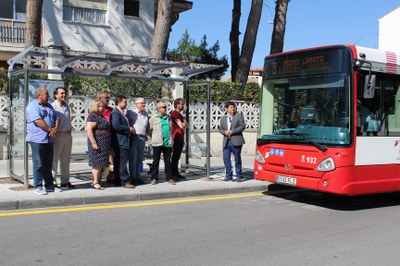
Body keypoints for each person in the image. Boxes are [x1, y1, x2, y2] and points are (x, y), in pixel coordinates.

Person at [26, 88, 59, 195]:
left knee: (48, 163)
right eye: (46, 93)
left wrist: (55, 129)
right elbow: (38, 121)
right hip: (37, 139)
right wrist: (50, 129)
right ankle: (38, 186)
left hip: (49, 139)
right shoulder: (32, 106)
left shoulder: (49, 105)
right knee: (39, 163)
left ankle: (49, 185)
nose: (48, 95)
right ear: (39, 95)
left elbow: (56, 118)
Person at [51, 87, 75, 189]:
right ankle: (52, 181)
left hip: (67, 135)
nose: (64, 95)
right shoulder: (53, 106)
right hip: (58, 135)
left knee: (66, 160)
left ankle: (65, 181)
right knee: (54, 159)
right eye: (61, 93)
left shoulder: (67, 106)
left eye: (65, 93)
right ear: (56, 95)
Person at [85, 99, 112, 190]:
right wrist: (93, 143)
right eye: (100, 107)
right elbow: (88, 129)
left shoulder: (100, 116)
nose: (102, 108)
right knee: (96, 163)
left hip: (103, 143)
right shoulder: (93, 116)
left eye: (103, 107)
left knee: (101, 163)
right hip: (97, 143)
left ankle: (99, 181)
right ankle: (95, 181)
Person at [149, 101, 176, 185]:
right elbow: (149, 130)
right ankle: (154, 178)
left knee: (167, 161)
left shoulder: (169, 117)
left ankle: (169, 177)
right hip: (157, 142)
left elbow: (171, 128)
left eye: (166, 107)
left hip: (167, 142)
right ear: (158, 109)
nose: (165, 108)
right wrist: (153, 139)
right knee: (155, 161)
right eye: (163, 107)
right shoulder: (154, 118)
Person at [111, 95, 135, 188]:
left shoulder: (121, 112)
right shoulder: (116, 112)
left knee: (119, 161)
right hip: (120, 141)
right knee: (122, 161)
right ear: (119, 102)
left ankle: (117, 180)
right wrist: (129, 129)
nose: (126, 104)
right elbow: (116, 126)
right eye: (124, 102)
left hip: (122, 140)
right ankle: (125, 181)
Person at [219, 101, 246, 182]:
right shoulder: (223, 118)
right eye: (231, 107)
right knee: (226, 159)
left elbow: (242, 126)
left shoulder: (239, 115)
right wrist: (225, 132)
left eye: (234, 107)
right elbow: (220, 129)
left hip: (236, 140)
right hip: (226, 141)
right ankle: (228, 175)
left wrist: (232, 131)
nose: (233, 109)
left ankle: (239, 175)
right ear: (227, 108)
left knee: (237, 159)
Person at [127, 97, 149, 186]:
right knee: (133, 158)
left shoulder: (145, 114)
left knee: (139, 159)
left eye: (144, 103)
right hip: (134, 137)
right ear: (136, 104)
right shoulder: (130, 113)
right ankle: (132, 177)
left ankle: (137, 176)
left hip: (142, 138)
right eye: (141, 103)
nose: (143, 105)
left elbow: (146, 126)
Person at [97, 91, 117, 184]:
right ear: (100, 98)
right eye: (106, 98)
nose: (108, 99)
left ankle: (110, 177)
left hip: (110, 138)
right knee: (99, 160)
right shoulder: (95, 109)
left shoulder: (111, 110)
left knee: (111, 159)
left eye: (108, 98)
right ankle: (98, 179)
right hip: (99, 138)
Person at [170, 98, 188, 180]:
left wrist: (184, 123)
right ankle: (173, 173)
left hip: (180, 136)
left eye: (183, 104)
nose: (183, 105)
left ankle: (176, 172)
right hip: (176, 137)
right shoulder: (175, 114)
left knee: (177, 156)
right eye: (181, 104)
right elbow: (181, 126)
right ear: (177, 104)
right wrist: (184, 123)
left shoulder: (180, 114)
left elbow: (186, 125)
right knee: (175, 156)